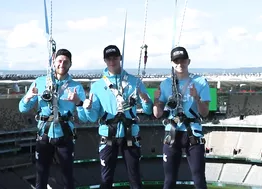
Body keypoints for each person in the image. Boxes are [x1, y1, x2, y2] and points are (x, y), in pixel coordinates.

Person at [83, 45, 153, 189]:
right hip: (108, 135)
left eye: (115, 57)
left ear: (120, 58)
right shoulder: (97, 86)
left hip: (130, 134)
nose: (112, 60)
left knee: (135, 179)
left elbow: (148, 110)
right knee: (105, 180)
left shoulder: (135, 82)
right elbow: (92, 117)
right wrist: (89, 108)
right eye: (109, 58)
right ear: (104, 60)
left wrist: (145, 99)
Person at [19, 49, 88, 189]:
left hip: (65, 135)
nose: (62, 64)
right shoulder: (40, 82)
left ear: (70, 64)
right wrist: (28, 97)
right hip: (44, 134)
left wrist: (78, 103)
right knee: (41, 175)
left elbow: (84, 118)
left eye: (66, 62)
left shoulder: (76, 87)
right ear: (54, 62)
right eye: (59, 61)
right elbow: (22, 108)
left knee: (67, 176)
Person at [153, 46, 210, 189]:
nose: (180, 64)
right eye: (176, 61)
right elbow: (157, 114)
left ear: (188, 61)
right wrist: (156, 100)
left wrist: (196, 97)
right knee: (169, 180)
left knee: (199, 179)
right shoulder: (166, 84)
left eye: (183, 60)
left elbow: (204, 113)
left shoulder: (200, 82)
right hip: (172, 132)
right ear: (172, 63)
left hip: (193, 133)